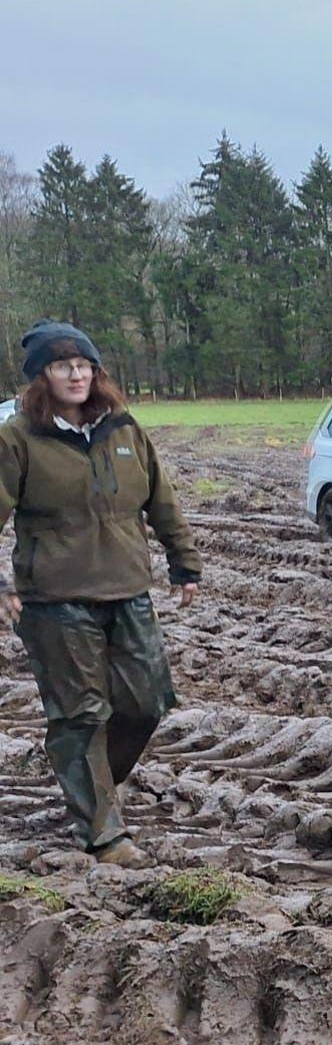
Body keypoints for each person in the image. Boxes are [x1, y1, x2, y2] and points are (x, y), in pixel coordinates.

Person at [0, 322, 200, 866]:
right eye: (62, 366)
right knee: (81, 714)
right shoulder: (18, 438)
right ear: (42, 377)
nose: (76, 374)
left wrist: (184, 562)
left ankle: (88, 785)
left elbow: (162, 500)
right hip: (54, 598)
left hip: (127, 589)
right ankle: (103, 833)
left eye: (84, 364)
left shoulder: (124, 430)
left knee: (145, 703)